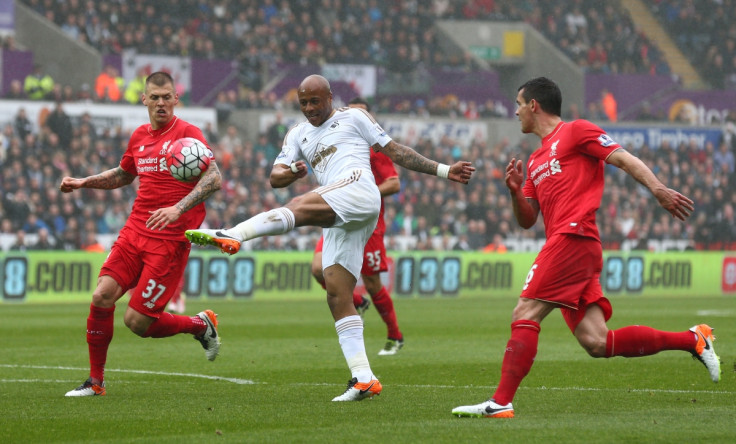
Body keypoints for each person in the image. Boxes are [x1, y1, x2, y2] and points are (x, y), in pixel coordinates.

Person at [186, 74, 475, 401]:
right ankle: (364, 378)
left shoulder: (354, 116)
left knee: (298, 205)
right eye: (304, 103)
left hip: (359, 189)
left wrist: (443, 169)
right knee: (337, 293)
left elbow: (395, 151)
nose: (310, 108)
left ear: (330, 98)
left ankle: (234, 234)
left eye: (315, 102)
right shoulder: (297, 133)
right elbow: (274, 176)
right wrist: (292, 171)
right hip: (344, 215)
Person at [452, 77, 720, 419]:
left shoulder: (577, 131)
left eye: (519, 104)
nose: (515, 111)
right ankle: (693, 339)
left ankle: (501, 401)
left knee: (525, 313)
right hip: (566, 244)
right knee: (597, 342)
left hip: (574, 238)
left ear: (534, 105)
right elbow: (527, 219)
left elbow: (623, 159)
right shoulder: (534, 159)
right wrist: (515, 191)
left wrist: (659, 190)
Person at [60, 71, 223, 397]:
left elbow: (214, 177)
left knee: (137, 322)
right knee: (101, 296)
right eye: (155, 97)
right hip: (135, 231)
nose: (161, 103)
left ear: (176, 99)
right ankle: (95, 382)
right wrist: (83, 182)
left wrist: (178, 208)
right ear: (144, 99)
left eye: (167, 97)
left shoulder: (188, 135)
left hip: (170, 241)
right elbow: (123, 174)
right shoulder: (138, 137)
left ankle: (199, 325)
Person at [310, 97, 405, 356]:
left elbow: (394, 183)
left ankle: (395, 336)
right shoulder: (337, 145)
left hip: (367, 222)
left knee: (373, 282)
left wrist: (362, 192)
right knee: (318, 268)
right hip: (337, 217)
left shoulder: (375, 148)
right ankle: (356, 303)